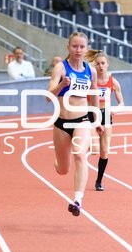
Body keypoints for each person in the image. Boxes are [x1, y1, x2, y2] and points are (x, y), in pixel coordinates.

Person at [48, 32, 103, 216]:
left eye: (82, 47)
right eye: (75, 46)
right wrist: (62, 85)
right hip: (61, 122)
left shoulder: (91, 71)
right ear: (68, 47)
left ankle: (78, 200)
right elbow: (49, 97)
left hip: (82, 120)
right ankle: (59, 162)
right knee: (63, 169)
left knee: (80, 155)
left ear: (86, 49)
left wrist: (97, 121)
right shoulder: (60, 68)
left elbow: (94, 96)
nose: (78, 50)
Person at [86, 50, 124, 191]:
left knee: (104, 151)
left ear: (107, 64)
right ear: (94, 65)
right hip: (91, 113)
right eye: (98, 64)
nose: (100, 66)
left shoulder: (113, 82)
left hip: (106, 115)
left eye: (103, 63)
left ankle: (99, 181)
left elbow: (121, 103)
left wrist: (116, 109)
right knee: (94, 149)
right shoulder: (90, 80)